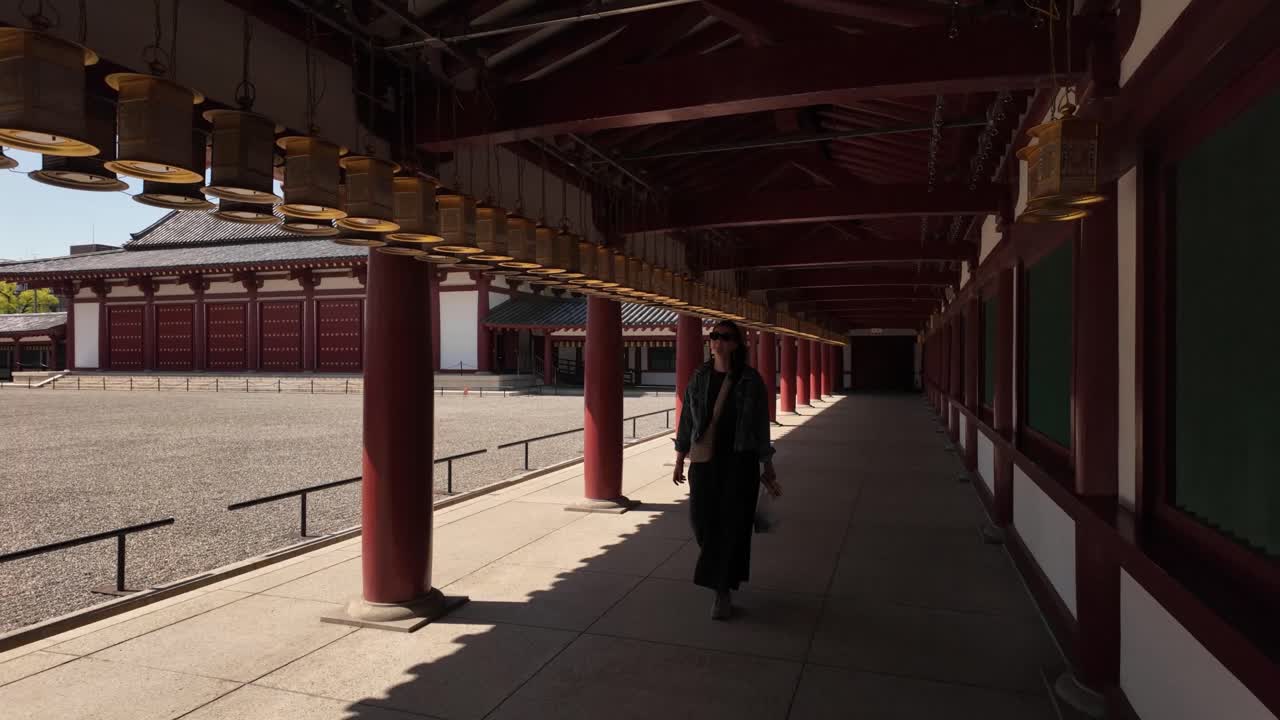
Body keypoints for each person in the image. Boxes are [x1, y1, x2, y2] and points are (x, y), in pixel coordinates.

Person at [672, 319, 781, 620]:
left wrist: (767, 463)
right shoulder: (699, 377)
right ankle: (720, 579)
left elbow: (760, 425)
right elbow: (687, 420)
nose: (716, 341)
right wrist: (680, 457)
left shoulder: (750, 380)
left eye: (724, 336)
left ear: (735, 344)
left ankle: (722, 591)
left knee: (732, 526)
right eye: (713, 336)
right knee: (701, 521)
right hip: (705, 461)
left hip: (740, 461)